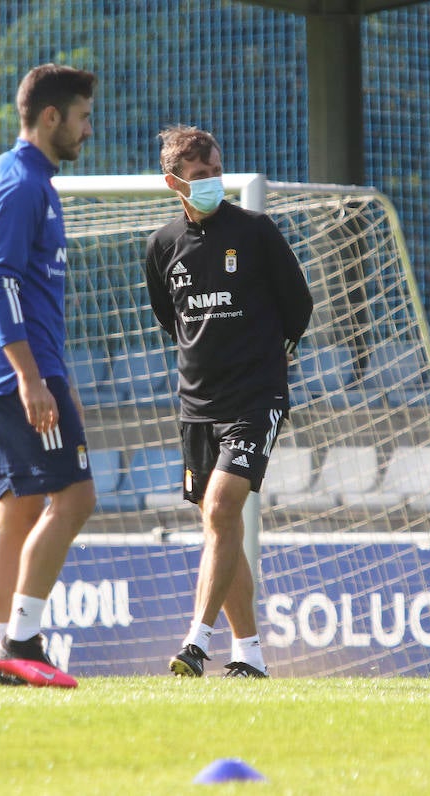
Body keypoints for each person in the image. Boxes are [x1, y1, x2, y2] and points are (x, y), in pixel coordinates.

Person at [144, 125, 314, 679]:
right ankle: (251, 656)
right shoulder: (163, 246)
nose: (214, 181)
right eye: (201, 176)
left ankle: (196, 640)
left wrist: (274, 353)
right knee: (222, 528)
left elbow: (299, 305)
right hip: (197, 405)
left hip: (256, 397)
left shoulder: (257, 231)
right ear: (175, 183)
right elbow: (170, 320)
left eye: (218, 171)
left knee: (220, 511)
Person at [0, 64, 97, 688]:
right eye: (81, 118)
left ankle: (6, 656)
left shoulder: (22, 178)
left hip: (14, 371)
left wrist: (39, 372)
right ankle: (21, 641)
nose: (86, 130)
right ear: (51, 118)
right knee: (76, 497)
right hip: (22, 374)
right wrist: (32, 377)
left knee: (15, 514)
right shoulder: (20, 183)